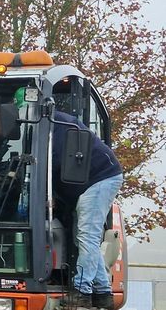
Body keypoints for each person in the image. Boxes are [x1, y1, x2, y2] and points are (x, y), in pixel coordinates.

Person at [51, 110, 123, 310]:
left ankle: (82, 291)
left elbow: (54, 164)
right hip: (95, 181)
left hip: (100, 179)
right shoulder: (53, 123)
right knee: (82, 238)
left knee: (87, 237)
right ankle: (102, 292)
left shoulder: (56, 127)